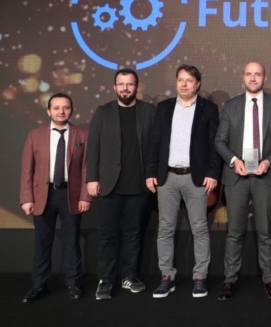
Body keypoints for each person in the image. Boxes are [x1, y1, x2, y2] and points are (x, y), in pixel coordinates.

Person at [214, 62, 271, 300]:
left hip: (265, 176)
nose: (253, 78)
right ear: (243, 77)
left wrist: (269, 161)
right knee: (234, 232)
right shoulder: (231, 106)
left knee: (266, 231)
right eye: (249, 74)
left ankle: (270, 279)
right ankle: (229, 280)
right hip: (236, 177)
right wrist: (233, 160)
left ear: (265, 78)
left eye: (257, 74)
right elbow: (219, 141)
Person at [146, 64, 221, 298]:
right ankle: (166, 277)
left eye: (189, 80)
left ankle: (200, 278)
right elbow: (155, 142)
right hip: (166, 177)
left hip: (196, 178)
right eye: (180, 79)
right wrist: (150, 172)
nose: (184, 84)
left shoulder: (209, 109)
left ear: (198, 84)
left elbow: (214, 145)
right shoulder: (164, 107)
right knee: (165, 229)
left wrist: (213, 173)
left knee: (199, 229)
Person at [86, 69, 155, 300]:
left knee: (133, 235)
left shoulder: (149, 112)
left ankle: (129, 276)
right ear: (114, 87)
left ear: (137, 87)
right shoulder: (103, 112)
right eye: (121, 84)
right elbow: (93, 148)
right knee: (107, 235)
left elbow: (156, 147)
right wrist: (92, 178)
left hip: (139, 186)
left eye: (130, 84)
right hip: (109, 186)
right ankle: (105, 280)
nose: (125, 88)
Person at [19, 93, 92, 302]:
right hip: (42, 195)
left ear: (72, 110)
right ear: (48, 111)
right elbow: (27, 169)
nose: (61, 111)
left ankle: (73, 283)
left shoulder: (83, 135)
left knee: (72, 243)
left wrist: (86, 196)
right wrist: (26, 198)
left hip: (71, 195)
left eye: (66, 107)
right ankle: (39, 285)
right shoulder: (35, 135)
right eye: (57, 107)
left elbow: (87, 169)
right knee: (42, 243)